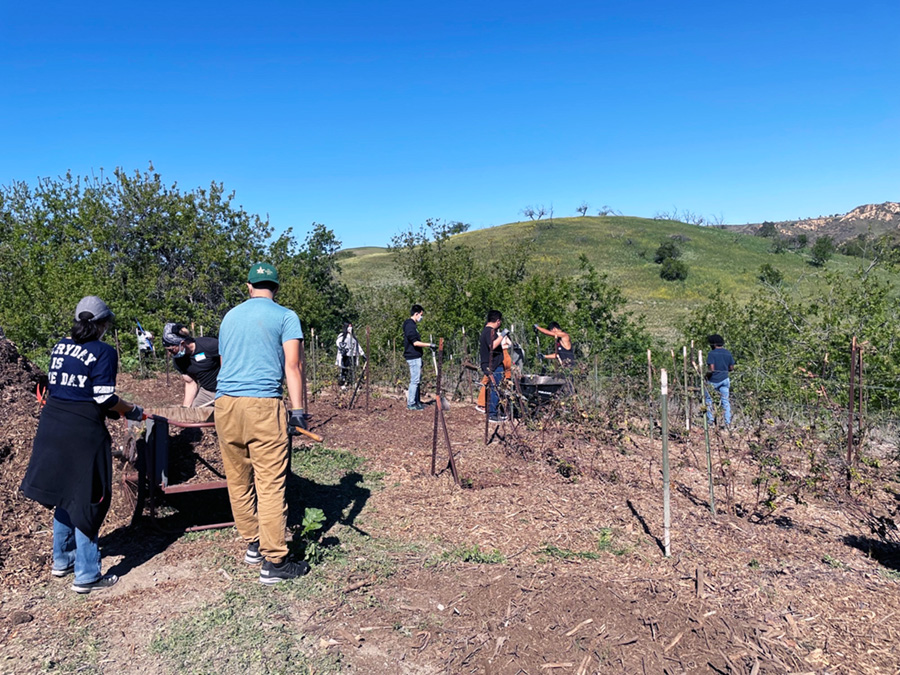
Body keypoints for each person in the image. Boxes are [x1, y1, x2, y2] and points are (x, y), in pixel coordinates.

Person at [21, 296, 144, 594]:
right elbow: (104, 398)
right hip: (81, 433)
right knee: (89, 497)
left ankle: (62, 559)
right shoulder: (104, 351)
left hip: (51, 425)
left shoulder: (60, 346)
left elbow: (67, 387)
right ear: (102, 325)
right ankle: (88, 574)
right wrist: (132, 410)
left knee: (64, 492)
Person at [215, 263, 309, 585]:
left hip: (225, 405)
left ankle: (253, 544)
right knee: (269, 484)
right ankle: (275, 563)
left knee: (239, 479)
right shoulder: (286, 316)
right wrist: (297, 411)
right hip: (263, 405)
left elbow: (226, 364)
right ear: (276, 288)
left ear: (249, 287)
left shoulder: (229, 317)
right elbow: (292, 366)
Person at [162, 322, 221, 408]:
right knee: (195, 416)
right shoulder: (179, 360)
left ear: (182, 343)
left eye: (171, 350)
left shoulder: (210, 345)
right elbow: (190, 383)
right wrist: (186, 409)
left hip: (227, 389)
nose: (170, 353)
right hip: (207, 392)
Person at [402, 305, 435, 411]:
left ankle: (416, 401)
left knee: (417, 380)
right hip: (413, 356)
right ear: (416, 314)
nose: (421, 317)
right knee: (415, 380)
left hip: (416, 356)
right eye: (421, 315)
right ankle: (411, 403)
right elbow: (415, 343)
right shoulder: (410, 326)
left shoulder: (412, 325)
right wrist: (429, 345)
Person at [480, 310, 507, 422]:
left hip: (494, 364)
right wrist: (503, 335)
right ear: (498, 321)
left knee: (496, 388)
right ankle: (492, 414)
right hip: (493, 365)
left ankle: (495, 411)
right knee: (495, 389)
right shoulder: (489, 331)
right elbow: (492, 345)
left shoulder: (488, 331)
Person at [705, 333, 735, 426]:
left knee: (708, 400)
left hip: (713, 380)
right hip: (725, 379)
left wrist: (706, 377)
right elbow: (731, 368)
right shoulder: (727, 353)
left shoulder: (712, 353)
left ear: (713, 344)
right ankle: (727, 423)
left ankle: (710, 421)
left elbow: (712, 369)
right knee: (725, 401)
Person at [335, 322, 365, 387]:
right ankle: (342, 384)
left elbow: (357, 346)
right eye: (349, 327)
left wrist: (362, 354)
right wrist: (343, 348)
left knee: (352, 370)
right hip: (345, 356)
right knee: (344, 370)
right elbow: (338, 343)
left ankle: (351, 383)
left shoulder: (353, 337)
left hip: (353, 356)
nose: (350, 328)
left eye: (351, 327)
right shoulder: (342, 336)